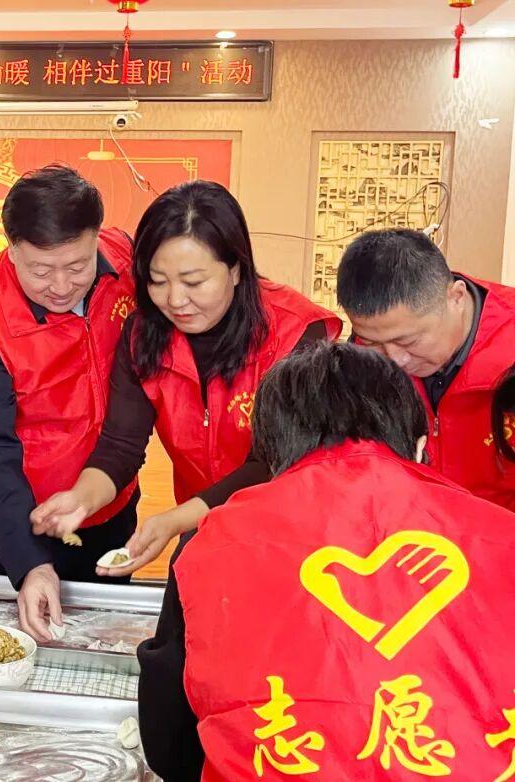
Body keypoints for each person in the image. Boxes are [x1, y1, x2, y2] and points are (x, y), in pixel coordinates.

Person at [139, 342, 515, 781]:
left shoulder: (212, 542)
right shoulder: (500, 533)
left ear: (273, 456)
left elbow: (169, 744)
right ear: (418, 446)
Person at [30, 180, 340, 576]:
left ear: (236, 268)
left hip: (295, 536)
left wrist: (175, 521)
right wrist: (82, 498)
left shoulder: (297, 335)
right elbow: (121, 445)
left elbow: (272, 462)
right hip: (206, 523)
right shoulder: (145, 334)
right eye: (158, 281)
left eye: (193, 282)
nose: (175, 300)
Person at [0, 166, 138, 642]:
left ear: (96, 239)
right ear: (12, 249)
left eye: (77, 266)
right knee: (33, 636)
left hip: (112, 499)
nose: (61, 286)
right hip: (29, 517)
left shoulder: (124, 260)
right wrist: (28, 561)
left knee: (109, 638)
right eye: (40, 270)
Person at [337, 228, 515, 510]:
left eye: (408, 341)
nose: (396, 360)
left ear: (456, 297)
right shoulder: (359, 357)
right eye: (372, 342)